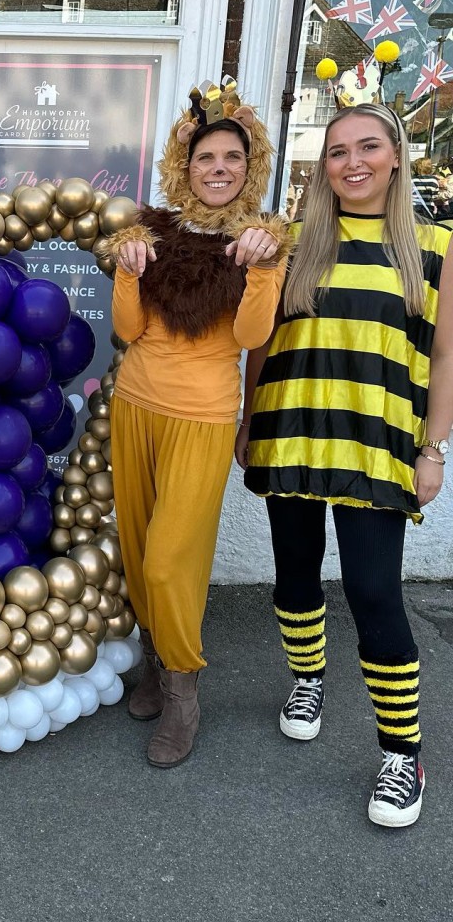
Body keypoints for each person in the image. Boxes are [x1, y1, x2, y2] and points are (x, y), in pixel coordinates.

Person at [239, 103, 453, 828]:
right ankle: (307, 679)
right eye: (336, 152)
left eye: (367, 147)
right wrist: (247, 418)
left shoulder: (435, 246)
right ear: (322, 166)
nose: (351, 162)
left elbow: (447, 356)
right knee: (296, 570)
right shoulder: (293, 242)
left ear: (397, 155)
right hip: (291, 430)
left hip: (377, 440)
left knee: (371, 590)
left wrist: (433, 449)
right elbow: (260, 341)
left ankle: (402, 753)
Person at [98, 82, 290, 768]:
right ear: (187, 163)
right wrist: (126, 271)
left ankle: (184, 688)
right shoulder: (149, 230)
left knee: (172, 558)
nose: (218, 167)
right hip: (136, 407)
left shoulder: (260, 239)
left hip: (203, 418)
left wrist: (265, 270)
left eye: (231, 157)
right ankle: (154, 664)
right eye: (206, 155)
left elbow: (249, 334)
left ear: (249, 164)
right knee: (138, 542)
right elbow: (128, 331)